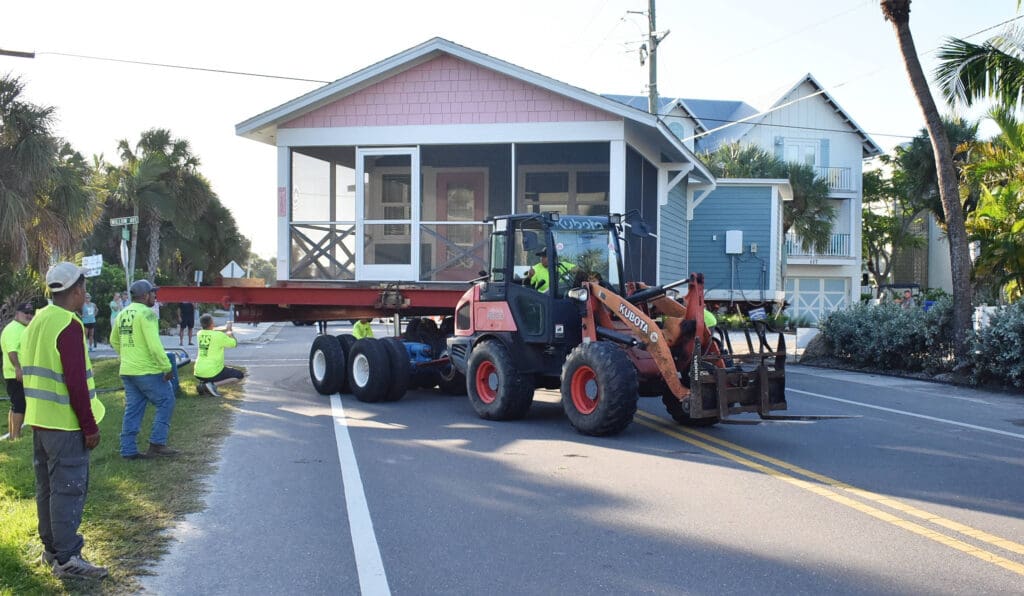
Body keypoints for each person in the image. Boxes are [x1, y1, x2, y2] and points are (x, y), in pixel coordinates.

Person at [22, 262, 108, 578]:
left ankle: (52, 550)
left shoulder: (37, 321)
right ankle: (68, 559)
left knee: (47, 489)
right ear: (75, 290)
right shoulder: (68, 325)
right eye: (84, 288)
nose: (85, 294)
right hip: (65, 424)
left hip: (40, 422)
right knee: (69, 489)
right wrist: (89, 426)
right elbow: (75, 382)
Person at [110, 279, 178, 460]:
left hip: (128, 370)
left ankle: (128, 450)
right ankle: (157, 443)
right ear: (145, 295)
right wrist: (167, 367)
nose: (155, 296)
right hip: (147, 370)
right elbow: (155, 346)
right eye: (153, 293)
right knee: (166, 401)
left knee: (133, 408)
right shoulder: (147, 314)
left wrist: (126, 355)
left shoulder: (122, 313)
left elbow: (113, 340)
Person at [2, 302, 35, 440]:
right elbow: (12, 350)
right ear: (17, 313)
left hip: (19, 372)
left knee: (16, 404)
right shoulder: (13, 329)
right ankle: (16, 436)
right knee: (20, 404)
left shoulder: (22, 328)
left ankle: (13, 434)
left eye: (30, 313)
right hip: (16, 373)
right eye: (25, 313)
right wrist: (17, 368)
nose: (28, 315)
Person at [194, 314, 244, 397]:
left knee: (209, 375)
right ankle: (213, 385)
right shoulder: (219, 336)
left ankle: (204, 385)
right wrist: (230, 332)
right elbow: (234, 343)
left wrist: (225, 329)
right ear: (212, 324)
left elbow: (212, 332)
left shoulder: (199, 333)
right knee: (239, 375)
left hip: (198, 371)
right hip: (213, 371)